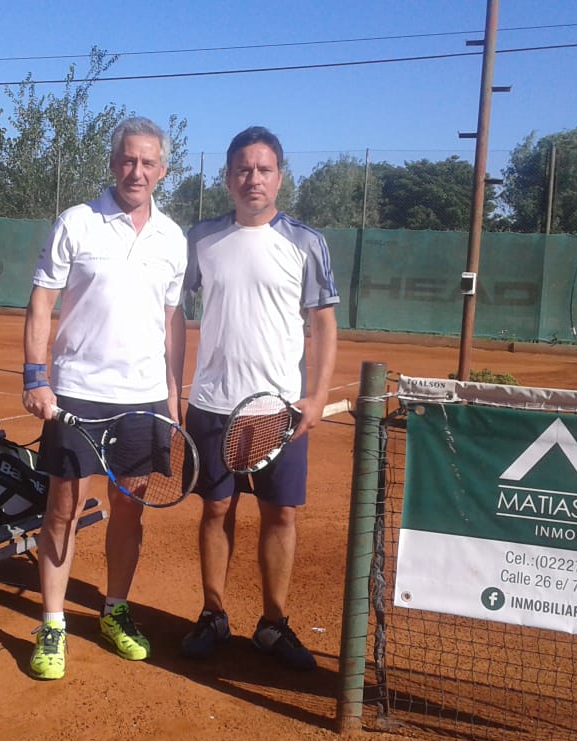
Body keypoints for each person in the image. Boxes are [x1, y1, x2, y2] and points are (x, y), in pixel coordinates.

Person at [21, 116, 187, 681]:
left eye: (148, 162)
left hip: (143, 398)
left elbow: (172, 319)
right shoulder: (78, 222)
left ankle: (115, 610)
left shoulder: (172, 238)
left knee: (129, 511)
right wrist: (35, 377)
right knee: (63, 510)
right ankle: (53, 622)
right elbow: (42, 301)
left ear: (163, 170)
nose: (137, 171)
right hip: (77, 393)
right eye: (128, 160)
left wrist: (173, 393)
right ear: (114, 163)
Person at [178, 126, 339, 670]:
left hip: (279, 409)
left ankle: (273, 624)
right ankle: (213, 614)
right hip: (212, 403)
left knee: (281, 515)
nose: (253, 179)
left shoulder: (307, 242)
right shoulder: (200, 238)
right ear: (227, 178)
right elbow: (171, 307)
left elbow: (324, 323)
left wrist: (316, 397)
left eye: (264, 169)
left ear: (279, 178)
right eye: (243, 169)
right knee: (215, 508)